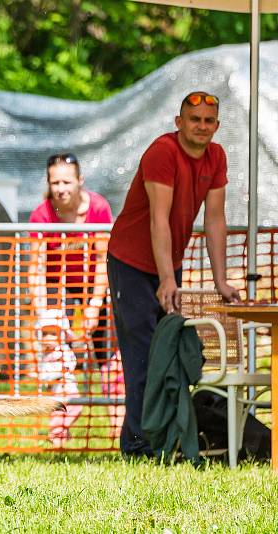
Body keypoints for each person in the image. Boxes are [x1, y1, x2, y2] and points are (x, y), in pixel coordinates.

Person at [107, 91, 241, 458]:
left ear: (217, 126)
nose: (202, 126)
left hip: (167, 264)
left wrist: (220, 280)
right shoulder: (163, 151)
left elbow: (214, 219)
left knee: (166, 353)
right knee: (142, 356)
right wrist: (169, 279)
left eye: (209, 120)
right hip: (132, 262)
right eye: (194, 119)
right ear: (178, 122)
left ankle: (165, 440)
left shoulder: (216, 157)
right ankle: (139, 447)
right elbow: (159, 218)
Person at [29, 153, 114, 363]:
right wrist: (42, 310)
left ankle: (111, 387)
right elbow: (36, 267)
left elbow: (104, 259)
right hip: (56, 286)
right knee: (57, 345)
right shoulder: (41, 215)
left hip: (92, 283)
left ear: (80, 181)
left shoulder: (99, 208)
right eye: (55, 182)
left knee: (103, 343)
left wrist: (95, 304)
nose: (60, 188)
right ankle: (64, 390)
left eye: (66, 182)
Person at [34, 309, 83, 447]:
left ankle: (59, 431)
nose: (48, 338)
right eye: (44, 334)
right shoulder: (44, 355)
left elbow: (70, 364)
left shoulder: (63, 351)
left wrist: (58, 373)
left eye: (52, 334)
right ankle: (57, 438)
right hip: (57, 392)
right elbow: (45, 374)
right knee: (59, 413)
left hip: (68, 388)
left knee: (76, 407)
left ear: (62, 335)